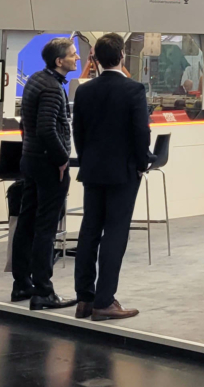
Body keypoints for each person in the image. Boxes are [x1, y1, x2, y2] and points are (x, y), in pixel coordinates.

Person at [72, 33, 153, 322]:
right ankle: (104, 301)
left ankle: (84, 298)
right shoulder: (133, 89)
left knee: (89, 231)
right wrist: (142, 163)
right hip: (123, 172)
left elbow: (78, 132)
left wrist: (86, 160)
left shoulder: (84, 90)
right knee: (115, 233)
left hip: (92, 170)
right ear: (122, 56)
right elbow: (141, 132)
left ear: (95, 59)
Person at [11, 37, 78, 310]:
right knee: (46, 228)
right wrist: (62, 160)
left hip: (31, 160)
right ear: (59, 61)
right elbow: (47, 129)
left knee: (27, 223)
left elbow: (27, 125)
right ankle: (43, 291)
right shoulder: (51, 87)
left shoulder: (36, 80)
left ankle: (21, 284)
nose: (77, 58)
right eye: (72, 54)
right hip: (48, 165)